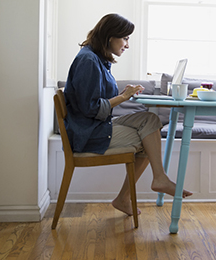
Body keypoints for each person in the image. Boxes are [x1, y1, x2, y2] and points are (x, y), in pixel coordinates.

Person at [64, 13, 192, 216]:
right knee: (148, 135)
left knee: (150, 120)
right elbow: (91, 108)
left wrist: (125, 94)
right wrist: (124, 96)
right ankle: (154, 181)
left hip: (94, 127)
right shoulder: (88, 61)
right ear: (109, 37)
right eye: (125, 38)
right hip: (88, 134)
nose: (127, 45)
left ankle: (138, 190)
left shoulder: (95, 58)